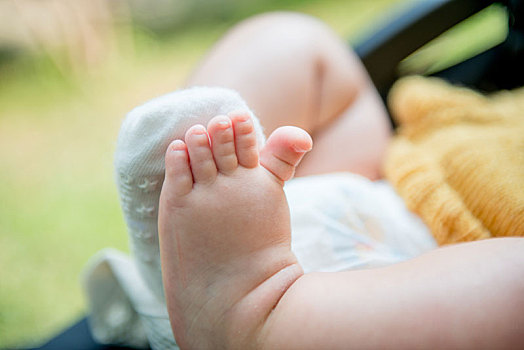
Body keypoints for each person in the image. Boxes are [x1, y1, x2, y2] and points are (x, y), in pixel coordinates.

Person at [113, 12, 524, 349]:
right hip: (381, 176)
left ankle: (251, 319)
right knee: (304, 49)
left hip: (414, 284)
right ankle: (186, 255)